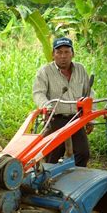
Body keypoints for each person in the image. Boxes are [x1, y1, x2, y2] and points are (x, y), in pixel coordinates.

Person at [32, 37, 94, 167]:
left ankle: (75, 179)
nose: (63, 56)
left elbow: (89, 93)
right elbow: (38, 93)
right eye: (59, 52)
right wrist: (46, 106)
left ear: (73, 54)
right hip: (55, 118)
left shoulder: (80, 69)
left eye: (67, 52)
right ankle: (49, 182)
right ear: (53, 55)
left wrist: (90, 117)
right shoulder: (45, 72)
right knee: (53, 156)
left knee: (83, 153)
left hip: (76, 118)